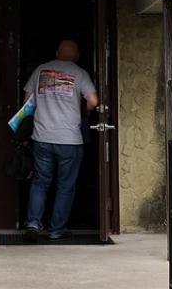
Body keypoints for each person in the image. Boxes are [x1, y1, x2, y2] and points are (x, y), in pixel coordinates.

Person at [22, 38, 98, 241]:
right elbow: (93, 101)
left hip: (42, 137)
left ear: (57, 53)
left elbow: (27, 102)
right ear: (77, 56)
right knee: (65, 187)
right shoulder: (80, 73)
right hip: (69, 140)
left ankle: (33, 224)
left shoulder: (40, 70)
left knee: (40, 182)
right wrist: (85, 113)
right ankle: (56, 230)